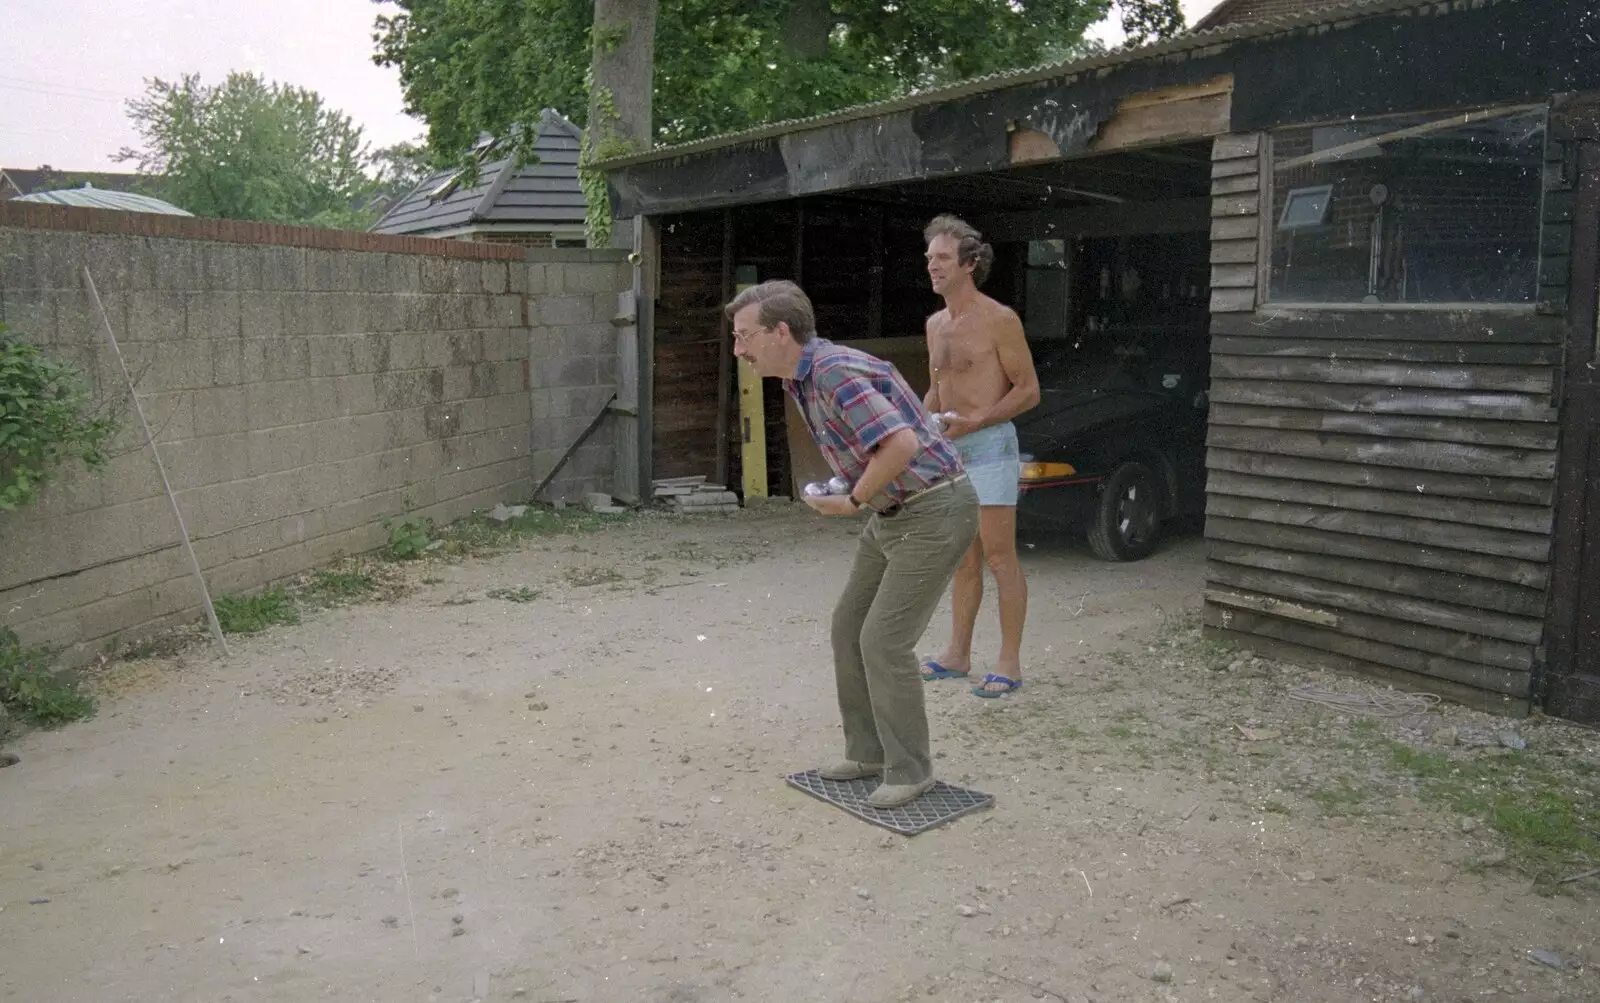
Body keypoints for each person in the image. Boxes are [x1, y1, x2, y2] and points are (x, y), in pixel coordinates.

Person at [727, 279, 979, 809]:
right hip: (895, 510)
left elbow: (903, 443)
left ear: (780, 332)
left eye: (745, 336)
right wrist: (846, 486)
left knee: (884, 641)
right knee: (849, 627)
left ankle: (910, 770)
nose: (739, 349)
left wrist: (854, 500)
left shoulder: (834, 373)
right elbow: (882, 444)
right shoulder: (804, 378)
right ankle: (866, 752)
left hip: (933, 509)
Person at [918, 214, 1041, 699]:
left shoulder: (999, 319)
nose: (933, 266)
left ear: (970, 264)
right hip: (949, 451)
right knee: (962, 558)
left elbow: (1029, 390)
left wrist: (980, 420)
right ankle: (957, 655)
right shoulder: (934, 324)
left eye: (943, 258)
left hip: (990, 446)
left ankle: (1008, 663)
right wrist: (912, 429)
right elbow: (936, 390)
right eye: (929, 258)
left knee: (997, 556)